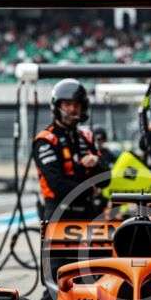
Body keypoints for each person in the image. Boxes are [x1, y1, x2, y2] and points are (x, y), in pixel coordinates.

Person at [33, 79, 106, 221]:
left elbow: (105, 180)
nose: (72, 109)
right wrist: (90, 189)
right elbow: (57, 185)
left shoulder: (87, 137)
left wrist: (96, 163)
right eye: (67, 104)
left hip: (89, 213)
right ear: (57, 106)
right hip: (59, 215)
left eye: (76, 105)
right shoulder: (45, 140)